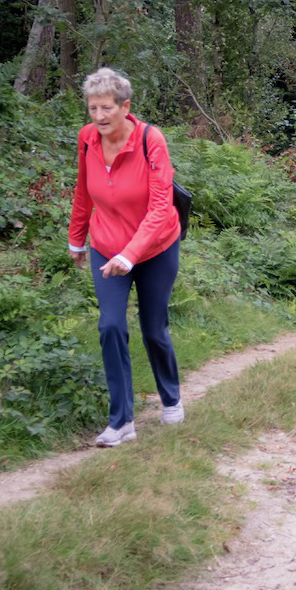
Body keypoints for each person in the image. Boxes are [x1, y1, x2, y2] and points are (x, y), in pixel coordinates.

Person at [69, 68, 184, 447]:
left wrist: (132, 254)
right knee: (110, 326)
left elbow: (159, 205)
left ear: (125, 106)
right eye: (92, 108)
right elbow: (84, 191)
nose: (99, 117)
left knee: (154, 329)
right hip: (106, 244)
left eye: (106, 108)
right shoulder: (88, 139)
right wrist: (77, 240)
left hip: (154, 247)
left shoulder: (151, 141)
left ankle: (171, 396)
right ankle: (121, 422)